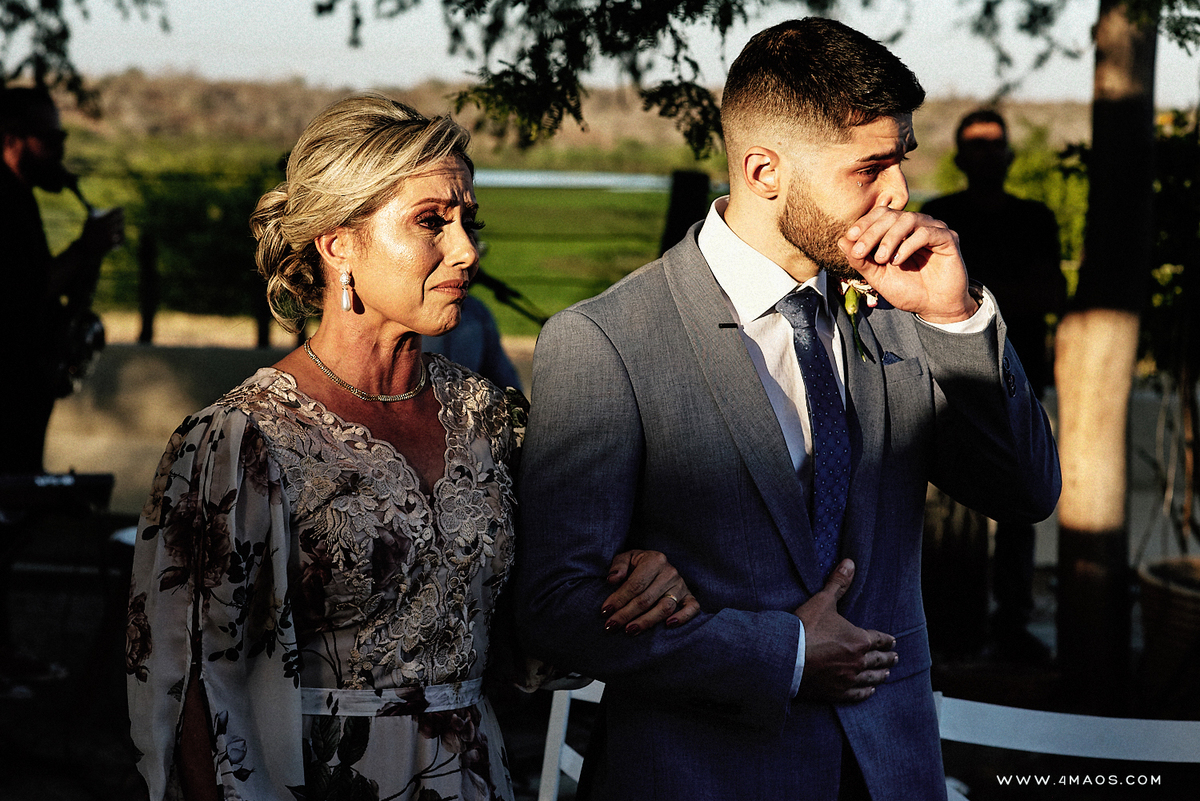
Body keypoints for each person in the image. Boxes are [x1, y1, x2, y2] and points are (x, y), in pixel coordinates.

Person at [512, 18, 1061, 801]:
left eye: (899, 160)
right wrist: (785, 653)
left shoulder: (905, 308)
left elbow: (1028, 493)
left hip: (892, 775)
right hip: (699, 776)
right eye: (868, 168)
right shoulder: (607, 341)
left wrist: (957, 316)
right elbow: (556, 608)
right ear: (764, 169)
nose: (900, 194)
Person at [126, 94, 697, 801]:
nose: (467, 249)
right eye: (432, 221)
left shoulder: (492, 420)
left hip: (475, 777)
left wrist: (636, 569)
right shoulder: (240, 443)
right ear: (339, 242)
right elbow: (189, 690)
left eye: (468, 221)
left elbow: (550, 593)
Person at [922, 109, 1067, 663]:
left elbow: (1050, 294)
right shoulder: (942, 216)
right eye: (974, 146)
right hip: (948, 382)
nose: (985, 155)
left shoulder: (1035, 219)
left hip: (1018, 380)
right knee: (948, 511)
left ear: (1008, 155)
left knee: (1020, 502)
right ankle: (951, 623)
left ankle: (1011, 623)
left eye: (994, 145)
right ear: (960, 157)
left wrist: (965, 298)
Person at [0, 86, 123, 695]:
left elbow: (54, 298)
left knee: (10, 518)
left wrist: (89, 258)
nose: (61, 151)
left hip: (26, 384)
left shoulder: (19, 199)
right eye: (51, 138)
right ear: (13, 138)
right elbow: (24, 292)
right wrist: (88, 247)